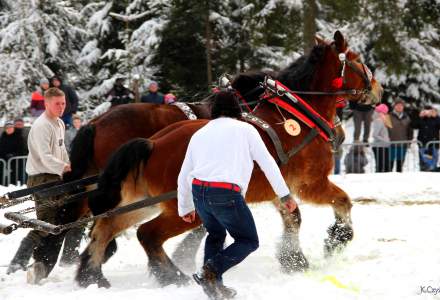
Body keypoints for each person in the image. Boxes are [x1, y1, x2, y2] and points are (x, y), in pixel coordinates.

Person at [177, 91, 297, 299]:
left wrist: (185, 206)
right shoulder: (246, 130)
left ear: (214, 110)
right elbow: (268, 163)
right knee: (248, 240)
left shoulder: (200, 133)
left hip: (199, 192)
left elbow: (184, 174)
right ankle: (211, 271)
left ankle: (213, 285)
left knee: (215, 235)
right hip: (225, 193)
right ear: (236, 109)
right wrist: (285, 195)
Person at [7, 88, 71, 283]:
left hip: (56, 177)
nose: (61, 107)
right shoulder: (42, 125)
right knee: (44, 224)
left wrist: (69, 167)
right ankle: (17, 263)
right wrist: (64, 167)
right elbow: (45, 157)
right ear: (46, 104)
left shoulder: (59, 123)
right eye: (57, 104)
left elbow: (61, 150)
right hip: (41, 179)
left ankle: (41, 261)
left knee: (56, 222)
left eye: (63, 103)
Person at [388, 99, 412, 172]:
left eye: (401, 106)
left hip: (402, 145)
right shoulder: (389, 116)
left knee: (400, 166)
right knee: (389, 165)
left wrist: (409, 142)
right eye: (397, 105)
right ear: (394, 106)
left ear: (403, 107)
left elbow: (410, 131)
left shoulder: (407, 117)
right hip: (391, 144)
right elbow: (385, 130)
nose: (399, 107)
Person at [412, 107, 440, 171]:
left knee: (432, 164)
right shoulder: (422, 118)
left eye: (430, 111)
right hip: (423, 144)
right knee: (423, 163)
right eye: (426, 111)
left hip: (434, 145)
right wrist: (419, 116)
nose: (428, 113)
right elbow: (413, 125)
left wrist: (436, 116)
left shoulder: (436, 118)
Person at [372, 104, 391, 172]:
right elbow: (374, 135)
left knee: (385, 166)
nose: (385, 114)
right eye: (384, 113)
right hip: (379, 146)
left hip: (384, 146)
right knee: (381, 166)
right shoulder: (378, 121)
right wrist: (385, 140)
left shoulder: (383, 120)